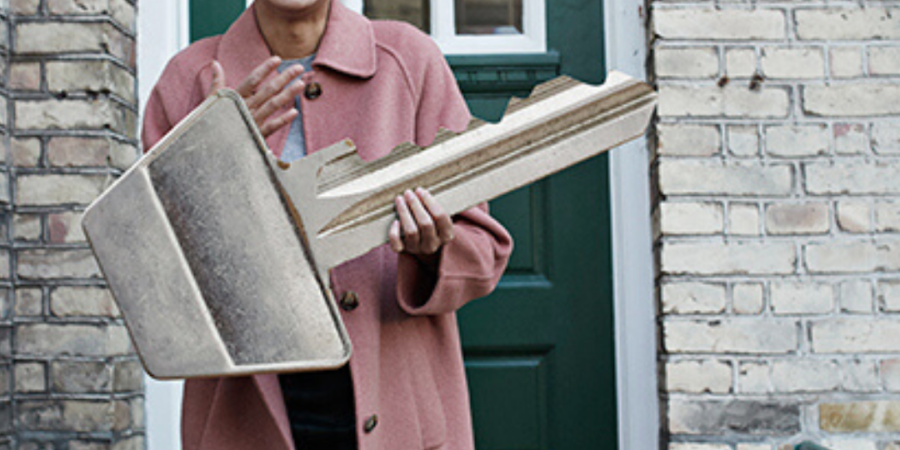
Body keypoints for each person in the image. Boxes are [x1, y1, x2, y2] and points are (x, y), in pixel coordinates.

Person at [141, 1, 513, 449]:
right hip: (245, 418)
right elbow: (156, 286)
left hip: (399, 417)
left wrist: (432, 250)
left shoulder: (410, 61)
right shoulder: (188, 81)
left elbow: (483, 251)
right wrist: (212, 162)